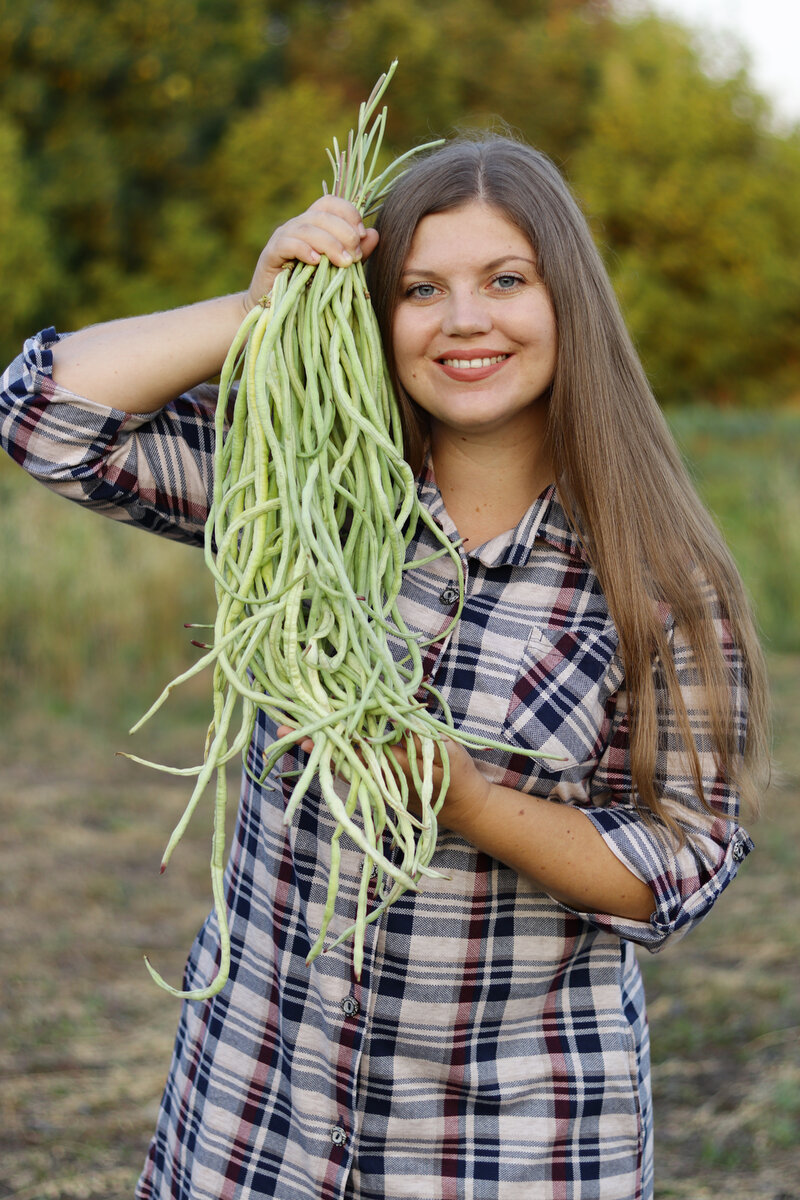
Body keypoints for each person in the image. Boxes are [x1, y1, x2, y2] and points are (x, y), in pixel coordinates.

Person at [0, 133, 770, 1200]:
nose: (464, 319)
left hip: (510, 1143)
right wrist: (259, 306)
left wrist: (456, 797)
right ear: (373, 312)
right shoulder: (299, 488)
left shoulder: (659, 582)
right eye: (418, 288)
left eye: (505, 280)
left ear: (570, 306)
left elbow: (681, 865)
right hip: (251, 1114)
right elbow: (45, 415)